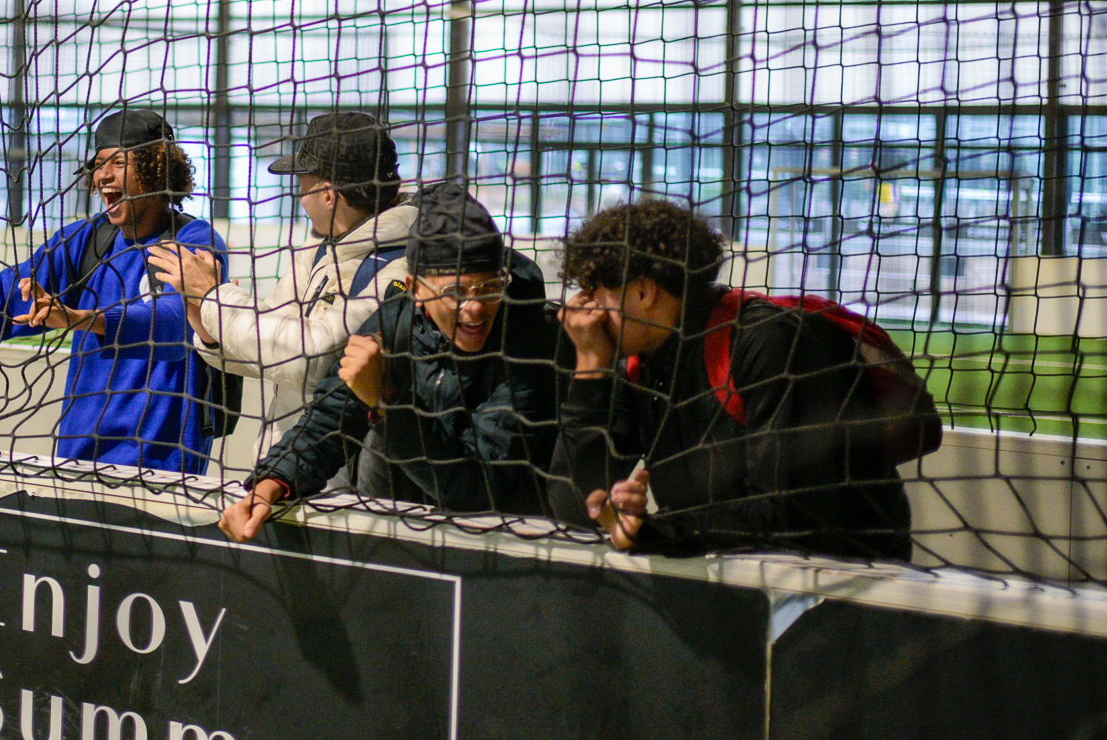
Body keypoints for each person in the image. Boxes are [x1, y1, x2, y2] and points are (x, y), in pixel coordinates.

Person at [549, 198, 914, 560]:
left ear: (644, 292)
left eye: (593, 291)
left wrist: (656, 531)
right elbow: (572, 505)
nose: (583, 308)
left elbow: (789, 512)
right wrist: (590, 365)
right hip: (732, 575)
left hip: (850, 576)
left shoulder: (769, 342)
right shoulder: (638, 362)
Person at [0, 109, 229, 474]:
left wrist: (82, 319)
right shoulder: (87, 239)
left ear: (157, 169)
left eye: (118, 163)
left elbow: (175, 325)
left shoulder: (193, 241)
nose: (103, 175)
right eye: (98, 164)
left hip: (163, 466)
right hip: (78, 461)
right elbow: (7, 297)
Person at [219, 183, 562, 540]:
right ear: (415, 288)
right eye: (454, 292)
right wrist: (269, 485)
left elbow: (480, 487)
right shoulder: (394, 323)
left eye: (490, 287)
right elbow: (329, 420)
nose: (474, 308)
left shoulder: (533, 343)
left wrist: (387, 402)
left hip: (508, 545)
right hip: (404, 538)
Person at [148, 112, 414, 461]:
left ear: (328, 194)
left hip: (343, 474)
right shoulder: (320, 245)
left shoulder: (401, 265)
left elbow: (311, 360)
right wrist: (210, 329)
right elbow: (272, 348)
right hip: (285, 463)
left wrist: (216, 297)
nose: (301, 199)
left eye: (303, 188)